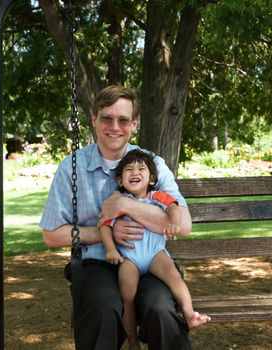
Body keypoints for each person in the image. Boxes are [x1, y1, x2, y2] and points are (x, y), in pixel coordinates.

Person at [40, 85, 194, 350]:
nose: (115, 127)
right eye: (107, 118)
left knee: (160, 309)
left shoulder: (151, 164)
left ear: (133, 124)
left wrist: (125, 204)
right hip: (97, 263)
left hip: (146, 261)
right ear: (94, 120)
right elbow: (51, 234)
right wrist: (103, 233)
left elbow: (183, 225)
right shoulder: (72, 167)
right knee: (104, 307)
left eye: (123, 120)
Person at [100, 149, 210, 350]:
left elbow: (174, 207)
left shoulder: (156, 197)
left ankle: (189, 313)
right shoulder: (117, 202)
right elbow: (105, 225)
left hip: (155, 254)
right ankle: (133, 341)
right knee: (128, 297)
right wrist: (111, 250)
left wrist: (173, 224)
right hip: (129, 259)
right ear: (119, 180)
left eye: (141, 169)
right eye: (129, 169)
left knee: (173, 276)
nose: (135, 172)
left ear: (151, 179)